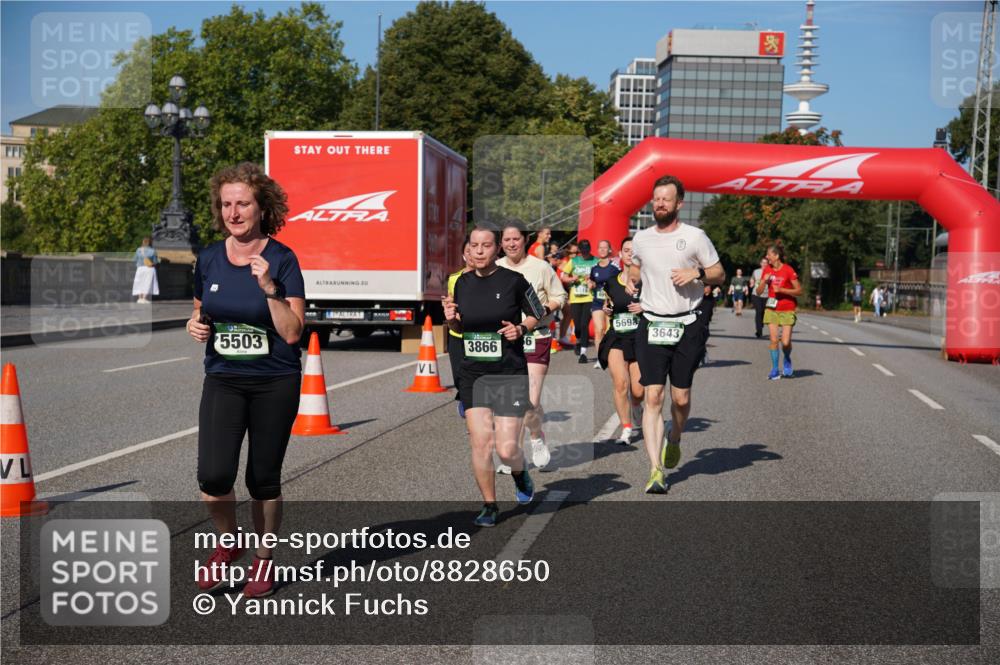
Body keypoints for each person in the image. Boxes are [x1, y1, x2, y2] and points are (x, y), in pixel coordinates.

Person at [187, 162, 305, 597]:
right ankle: (227, 541)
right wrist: (194, 325)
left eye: (243, 203)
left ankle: (264, 560)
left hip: (275, 380)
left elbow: (293, 332)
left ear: (261, 208)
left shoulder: (283, 258)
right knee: (213, 476)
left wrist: (270, 288)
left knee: (262, 478)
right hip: (223, 378)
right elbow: (200, 310)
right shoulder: (210, 258)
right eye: (226, 204)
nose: (233, 212)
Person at [629, 175, 724, 494]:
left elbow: (719, 273)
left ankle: (676, 436)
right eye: (656, 198)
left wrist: (696, 272)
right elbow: (636, 267)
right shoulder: (641, 238)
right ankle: (655, 470)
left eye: (666, 199)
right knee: (653, 395)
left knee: (680, 398)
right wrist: (632, 281)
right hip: (652, 323)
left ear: (678, 204)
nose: (659, 203)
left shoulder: (695, 237)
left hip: (688, 324)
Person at [443, 225, 542, 527]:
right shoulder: (461, 283)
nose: (480, 250)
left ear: (497, 249)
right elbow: (459, 330)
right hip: (474, 373)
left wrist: (521, 328)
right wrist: (451, 321)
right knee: (481, 443)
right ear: (468, 250)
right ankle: (489, 504)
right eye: (475, 245)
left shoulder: (514, 280)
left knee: (507, 447)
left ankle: (518, 471)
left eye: (486, 245)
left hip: (508, 372)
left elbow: (536, 312)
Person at [497, 221, 568, 471]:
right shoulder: (495, 268)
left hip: (535, 336)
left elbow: (560, 296)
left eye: (516, 239)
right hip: (505, 340)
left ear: (525, 239)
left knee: (529, 401)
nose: (511, 244)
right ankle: (514, 452)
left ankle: (536, 437)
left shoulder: (541, 268)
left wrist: (543, 310)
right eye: (507, 240)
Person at [598, 237, 644, 444]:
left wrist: (645, 307)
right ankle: (626, 428)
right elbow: (607, 304)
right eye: (626, 250)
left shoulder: (646, 281)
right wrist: (607, 309)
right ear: (621, 254)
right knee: (620, 384)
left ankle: (636, 406)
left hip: (640, 337)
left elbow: (661, 305)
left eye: (633, 251)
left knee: (638, 391)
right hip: (617, 336)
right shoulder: (611, 281)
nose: (629, 254)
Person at [755, 243, 802, 380]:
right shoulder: (767, 270)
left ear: (776, 256)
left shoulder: (788, 270)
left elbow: (799, 291)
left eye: (769, 254)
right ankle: (775, 369)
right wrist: (764, 281)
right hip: (771, 309)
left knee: (786, 342)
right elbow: (758, 292)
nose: (767, 257)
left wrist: (782, 290)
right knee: (774, 340)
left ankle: (787, 359)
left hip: (787, 309)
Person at [447, 237, 474, 417]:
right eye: (468, 251)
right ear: (463, 255)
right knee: (458, 375)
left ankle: (473, 407)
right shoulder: (454, 279)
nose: (473, 254)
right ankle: (465, 397)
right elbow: (451, 300)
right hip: (457, 334)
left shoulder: (492, 278)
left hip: (479, 336)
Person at [564, 239, 599, 363]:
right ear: (580, 250)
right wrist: (572, 278)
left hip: (589, 297)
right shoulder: (574, 261)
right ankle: (578, 341)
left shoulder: (595, 261)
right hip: (575, 297)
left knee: (584, 325)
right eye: (583, 251)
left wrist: (593, 281)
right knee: (577, 326)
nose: (585, 253)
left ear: (590, 249)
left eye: (587, 251)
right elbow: (563, 276)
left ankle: (583, 354)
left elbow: (601, 277)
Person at [588, 239, 620, 369]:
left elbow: (620, 282)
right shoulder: (594, 268)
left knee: (609, 330)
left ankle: (611, 356)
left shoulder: (614, 268)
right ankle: (600, 359)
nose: (602, 250)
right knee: (598, 330)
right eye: (600, 247)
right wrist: (591, 284)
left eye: (605, 247)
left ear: (609, 250)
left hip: (610, 302)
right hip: (597, 302)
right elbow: (592, 281)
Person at [557, 243, 579, 346]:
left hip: (563, 291)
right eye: (572, 253)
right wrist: (573, 279)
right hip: (558, 291)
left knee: (568, 314)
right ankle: (561, 337)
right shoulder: (566, 262)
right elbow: (563, 279)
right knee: (568, 313)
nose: (574, 255)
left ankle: (562, 337)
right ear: (568, 253)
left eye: (576, 253)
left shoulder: (571, 261)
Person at [131, 236, 160, 304]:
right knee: (147, 283)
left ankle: (139, 298)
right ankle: (144, 298)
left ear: (143, 242)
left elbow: (135, 259)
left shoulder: (138, 250)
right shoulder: (152, 251)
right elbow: (155, 261)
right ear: (150, 243)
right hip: (149, 268)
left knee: (139, 282)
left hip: (140, 268)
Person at [750, 257, 769, 338]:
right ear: (760, 263)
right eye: (763, 262)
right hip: (756, 294)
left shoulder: (770, 272)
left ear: (768, 264)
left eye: (766, 263)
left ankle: (761, 324)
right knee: (759, 311)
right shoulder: (756, 271)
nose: (764, 264)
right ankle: (759, 331)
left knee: (764, 312)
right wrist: (751, 283)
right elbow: (752, 279)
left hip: (767, 295)